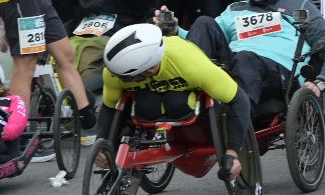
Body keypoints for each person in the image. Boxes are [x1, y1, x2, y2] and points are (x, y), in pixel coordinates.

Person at [187, 0, 325, 116]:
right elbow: (201, 37)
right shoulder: (235, 8)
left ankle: (238, 131)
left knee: (246, 58)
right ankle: (187, 104)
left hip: (280, 74)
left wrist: (321, 83)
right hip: (234, 66)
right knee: (203, 22)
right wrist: (172, 29)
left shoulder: (300, 4)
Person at [96, 22, 249, 182]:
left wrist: (232, 152)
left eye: (123, 77)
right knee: (146, 106)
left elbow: (238, 100)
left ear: (148, 70)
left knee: (177, 104)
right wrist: (102, 143)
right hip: (149, 101)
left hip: (188, 106)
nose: (114, 77)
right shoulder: (114, 71)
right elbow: (110, 107)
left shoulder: (194, 66)